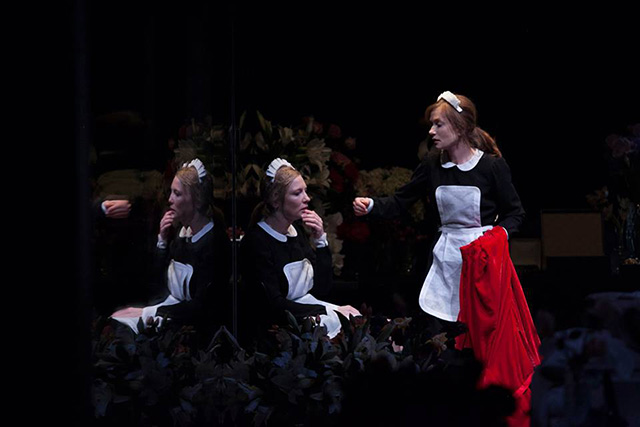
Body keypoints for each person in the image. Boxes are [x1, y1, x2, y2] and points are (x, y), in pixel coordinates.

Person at [353, 90, 525, 325]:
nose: (431, 131)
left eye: (438, 124)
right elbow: (400, 201)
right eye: (431, 125)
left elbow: (515, 213)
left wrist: (495, 237)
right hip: (444, 258)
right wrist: (371, 205)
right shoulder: (432, 164)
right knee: (438, 328)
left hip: (483, 260)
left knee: (478, 328)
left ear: (460, 127)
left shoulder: (491, 167)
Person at [240, 158, 360, 341]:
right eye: (297, 193)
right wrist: (327, 310)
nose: (307, 198)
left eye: (305, 191)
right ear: (276, 200)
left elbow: (322, 288)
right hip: (279, 326)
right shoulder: (257, 241)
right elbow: (273, 305)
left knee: (355, 318)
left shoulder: (296, 231)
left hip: (307, 310)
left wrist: (320, 240)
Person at [111, 158, 231, 340]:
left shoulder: (214, 243)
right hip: (168, 313)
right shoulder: (180, 234)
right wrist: (162, 241)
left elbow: (201, 307)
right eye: (171, 192)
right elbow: (156, 287)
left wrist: (149, 312)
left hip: (192, 329)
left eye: (177, 194)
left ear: (197, 200)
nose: (170, 200)